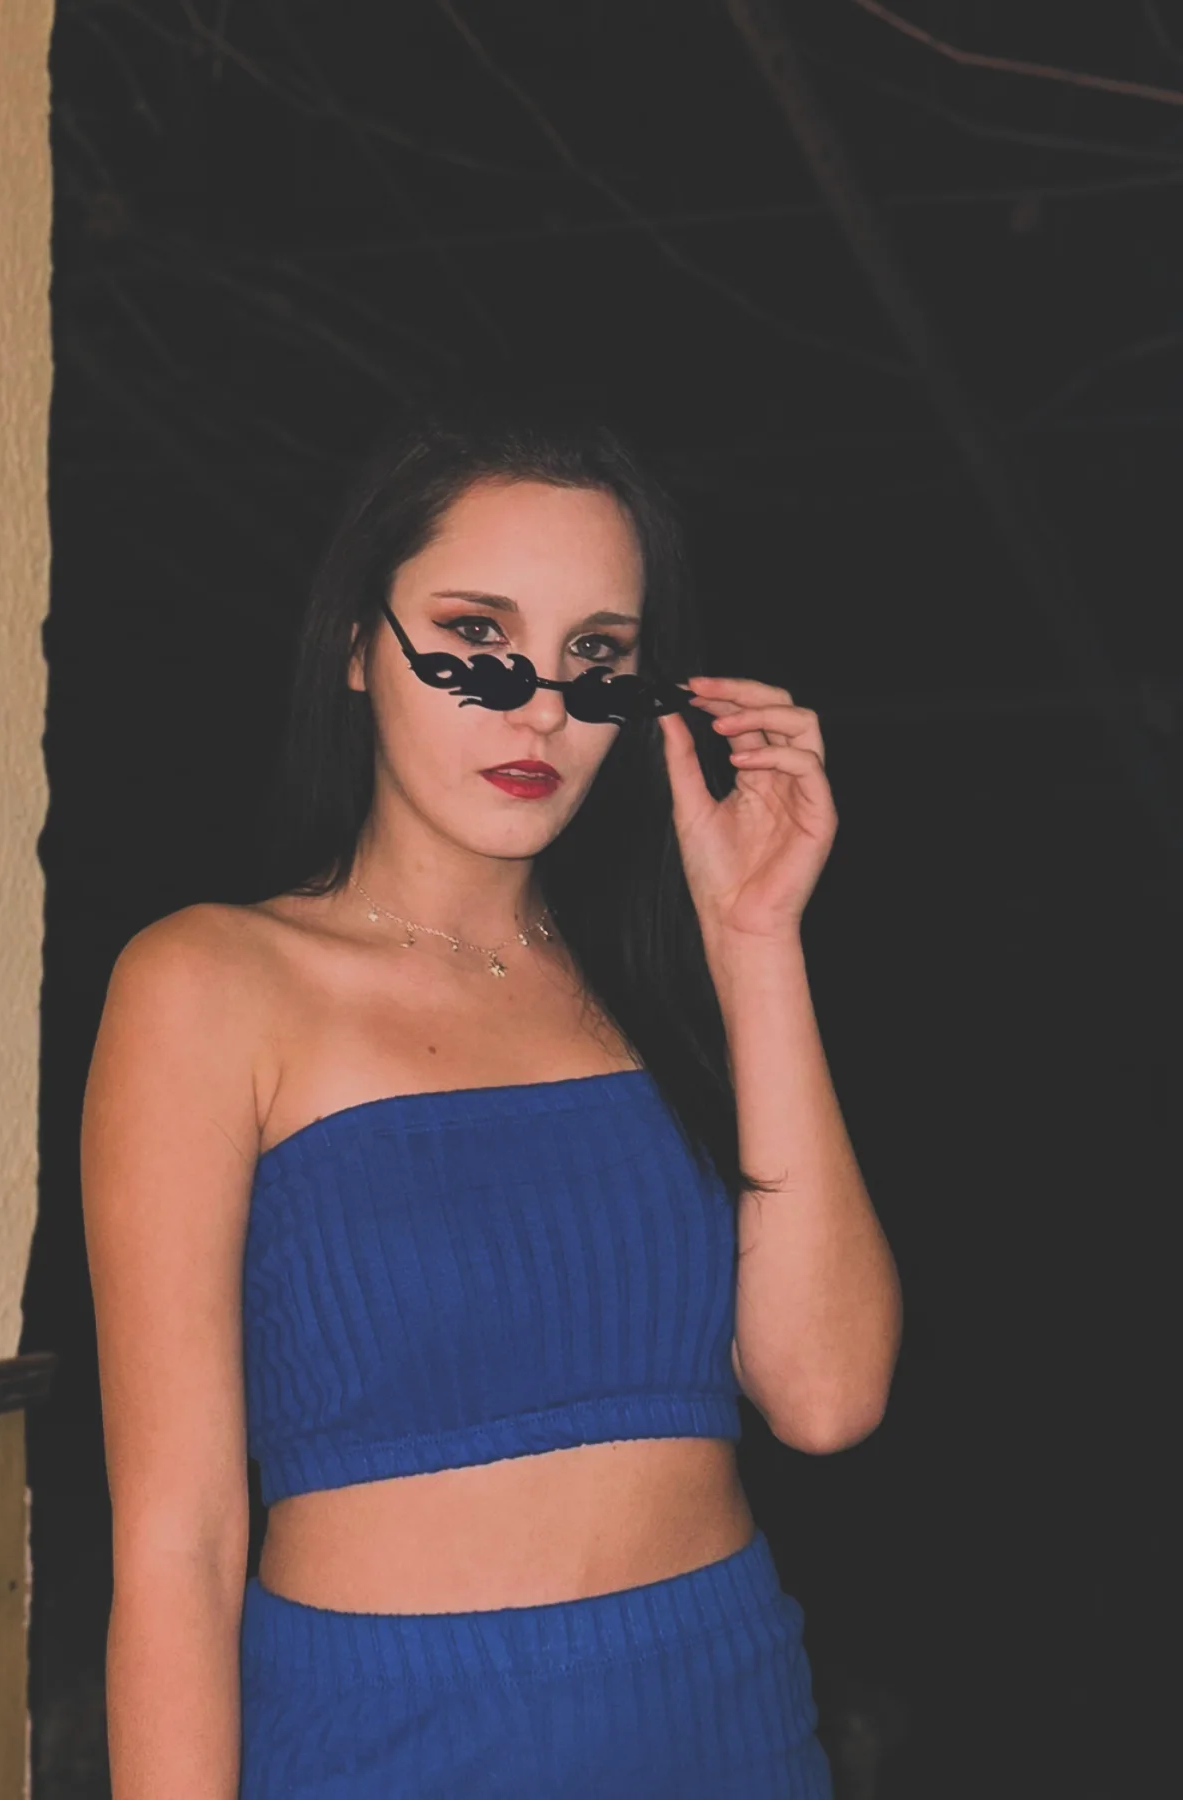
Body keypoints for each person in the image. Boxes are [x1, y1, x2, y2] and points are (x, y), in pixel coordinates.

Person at [80, 395, 903, 1798]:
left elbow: (827, 1397)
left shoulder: (665, 987)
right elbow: (178, 1544)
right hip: (385, 1739)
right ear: (357, 646)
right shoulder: (208, 983)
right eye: (476, 637)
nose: (540, 706)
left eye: (596, 657)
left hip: (724, 1714)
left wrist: (757, 942)